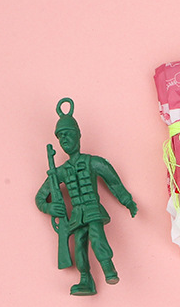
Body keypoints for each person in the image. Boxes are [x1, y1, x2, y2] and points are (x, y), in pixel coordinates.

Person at [35, 98, 137, 295]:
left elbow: (114, 182)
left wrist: (128, 202)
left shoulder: (93, 162)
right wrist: (49, 207)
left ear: (78, 134)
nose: (64, 139)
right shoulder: (60, 172)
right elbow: (40, 197)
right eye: (60, 136)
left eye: (68, 134)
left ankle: (108, 269)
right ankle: (85, 280)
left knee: (97, 237)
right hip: (76, 215)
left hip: (92, 209)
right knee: (79, 247)